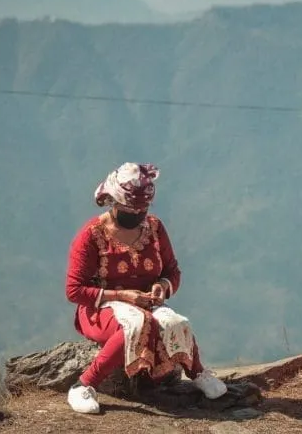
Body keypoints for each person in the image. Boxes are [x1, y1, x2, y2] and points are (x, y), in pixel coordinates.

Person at [64, 162, 227, 414]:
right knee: (137, 326)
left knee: (175, 322)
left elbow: (172, 271)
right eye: (131, 210)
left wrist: (162, 286)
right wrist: (122, 296)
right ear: (114, 202)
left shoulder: (154, 228)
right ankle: (83, 385)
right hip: (100, 308)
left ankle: (197, 373)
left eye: (143, 209)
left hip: (146, 304)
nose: (138, 214)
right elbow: (74, 291)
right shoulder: (91, 235)